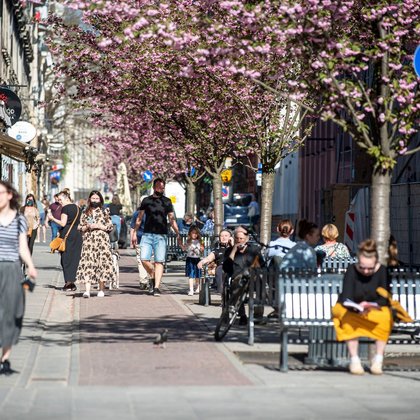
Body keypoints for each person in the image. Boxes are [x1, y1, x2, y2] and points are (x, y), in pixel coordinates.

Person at [332, 239, 393, 375]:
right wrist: (357, 307)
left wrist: (370, 305)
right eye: (362, 267)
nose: (366, 271)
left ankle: (378, 360)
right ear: (358, 261)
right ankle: (354, 360)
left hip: (374, 308)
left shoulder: (382, 271)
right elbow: (347, 296)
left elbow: (385, 298)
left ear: (376, 262)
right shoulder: (352, 270)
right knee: (348, 319)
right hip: (353, 308)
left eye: (370, 268)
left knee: (384, 317)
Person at [0, 181, 37, 375]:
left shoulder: (19, 220)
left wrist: (30, 266)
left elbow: (23, 247)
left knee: (11, 313)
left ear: (9, 195)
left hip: (12, 269)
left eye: (1, 193)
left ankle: (4, 359)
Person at [131, 178, 182, 297]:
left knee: (159, 261)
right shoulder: (146, 201)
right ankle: (153, 274)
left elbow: (172, 219)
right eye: (159, 186)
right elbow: (139, 218)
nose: (161, 189)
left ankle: (156, 287)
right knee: (144, 259)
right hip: (147, 234)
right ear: (154, 187)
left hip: (161, 235)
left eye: (162, 187)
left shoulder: (167, 201)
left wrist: (177, 232)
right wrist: (134, 232)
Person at [76, 191, 116, 298]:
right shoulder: (85, 212)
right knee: (88, 263)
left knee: (101, 264)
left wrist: (99, 226)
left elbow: (110, 226)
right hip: (88, 242)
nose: (94, 201)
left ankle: (101, 289)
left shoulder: (104, 211)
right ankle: (87, 291)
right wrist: (86, 227)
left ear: (100, 200)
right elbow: (79, 227)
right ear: (89, 199)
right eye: (93, 198)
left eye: (97, 199)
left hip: (102, 242)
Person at [222, 226, 264, 325]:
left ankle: (258, 316)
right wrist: (234, 251)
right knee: (238, 282)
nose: (239, 241)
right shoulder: (229, 251)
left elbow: (262, 265)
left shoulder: (253, 250)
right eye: (237, 239)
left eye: (241, 239)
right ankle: (242, 315)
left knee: (260, 283)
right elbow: (226, 268)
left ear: (247, 239)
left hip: (253, 278)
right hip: (237, 279)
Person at [47, 190, 82, 291]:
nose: (59, 202)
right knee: (75, 259)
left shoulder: (65, 208)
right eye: (58, 200)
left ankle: (68, 283)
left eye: (61, 200)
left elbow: (63, 223)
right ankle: (72, 283)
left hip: (67, 235)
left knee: (65, 259)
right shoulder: (78, 208)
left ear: (66, 198)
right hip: (77, 235)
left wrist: (52, 218)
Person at [198, 229, 234, 293]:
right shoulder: (217, 249)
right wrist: (201, 262)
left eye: (226, 235)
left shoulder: (235, 247)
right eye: (221, 236)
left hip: (234, 267)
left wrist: (233, 244)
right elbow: (209, 258)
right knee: (220, 270)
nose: (223, 237)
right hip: (222, 267)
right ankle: (222, 292)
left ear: (230, 237)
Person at [130, 202, 148, 288]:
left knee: (140, 261)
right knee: (149, 260)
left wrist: (132, 240)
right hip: (149, 239)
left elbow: (132, 228)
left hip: (140, 239)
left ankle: (143, 280)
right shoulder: (153, 214)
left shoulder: (136, 214)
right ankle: (149, 278)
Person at [182, 226, 204, 296]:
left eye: (196, 233)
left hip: (197, 259)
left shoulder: (200, 241)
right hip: (190, 259)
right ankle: (191, 289)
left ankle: (197, 287)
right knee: (191, 275)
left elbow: (202, 249)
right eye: (193, 233)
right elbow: (184, 248)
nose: (194, 235)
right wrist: (184, 246)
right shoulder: (188, 241)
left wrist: (200, 248)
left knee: (198, 275)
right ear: (190, 233)